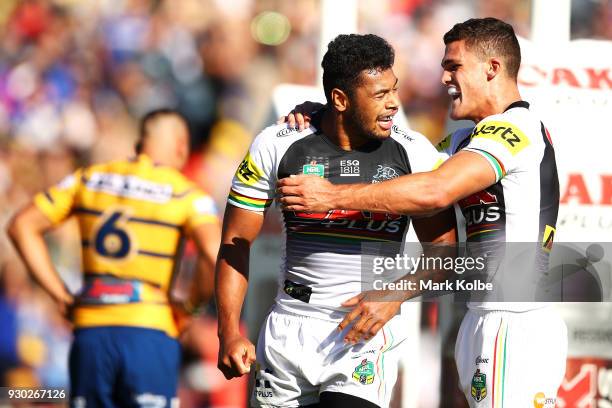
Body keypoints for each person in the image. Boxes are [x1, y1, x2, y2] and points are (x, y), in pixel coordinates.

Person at [278, 18, 567, 408]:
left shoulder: (518, 129)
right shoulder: (465, 139)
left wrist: (331, 196)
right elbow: (404, 158)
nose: (444, 77)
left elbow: (434, 190)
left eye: (454, 66)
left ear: (492, 68)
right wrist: (332, 116)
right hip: (483, 315)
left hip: (516, 316)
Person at [216, 34, 456, 408]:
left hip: (363, 333)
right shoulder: (277, 144)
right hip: (290, 329)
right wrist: (229, 330)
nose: (394, 103)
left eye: (394, 90)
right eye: (380, 95)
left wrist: (394, 295)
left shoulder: (413, 152)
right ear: (341, 99)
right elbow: (235, 242)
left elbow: (444, 250)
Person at [7, 109, 221, 407]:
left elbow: (21, 226)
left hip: (91, 328)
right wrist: (190, 309)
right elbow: (213, 254)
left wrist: (60, 295)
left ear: (139, 145)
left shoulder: (89, 178)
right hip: (149, 327)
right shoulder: (186, 194)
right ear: (181, 146)